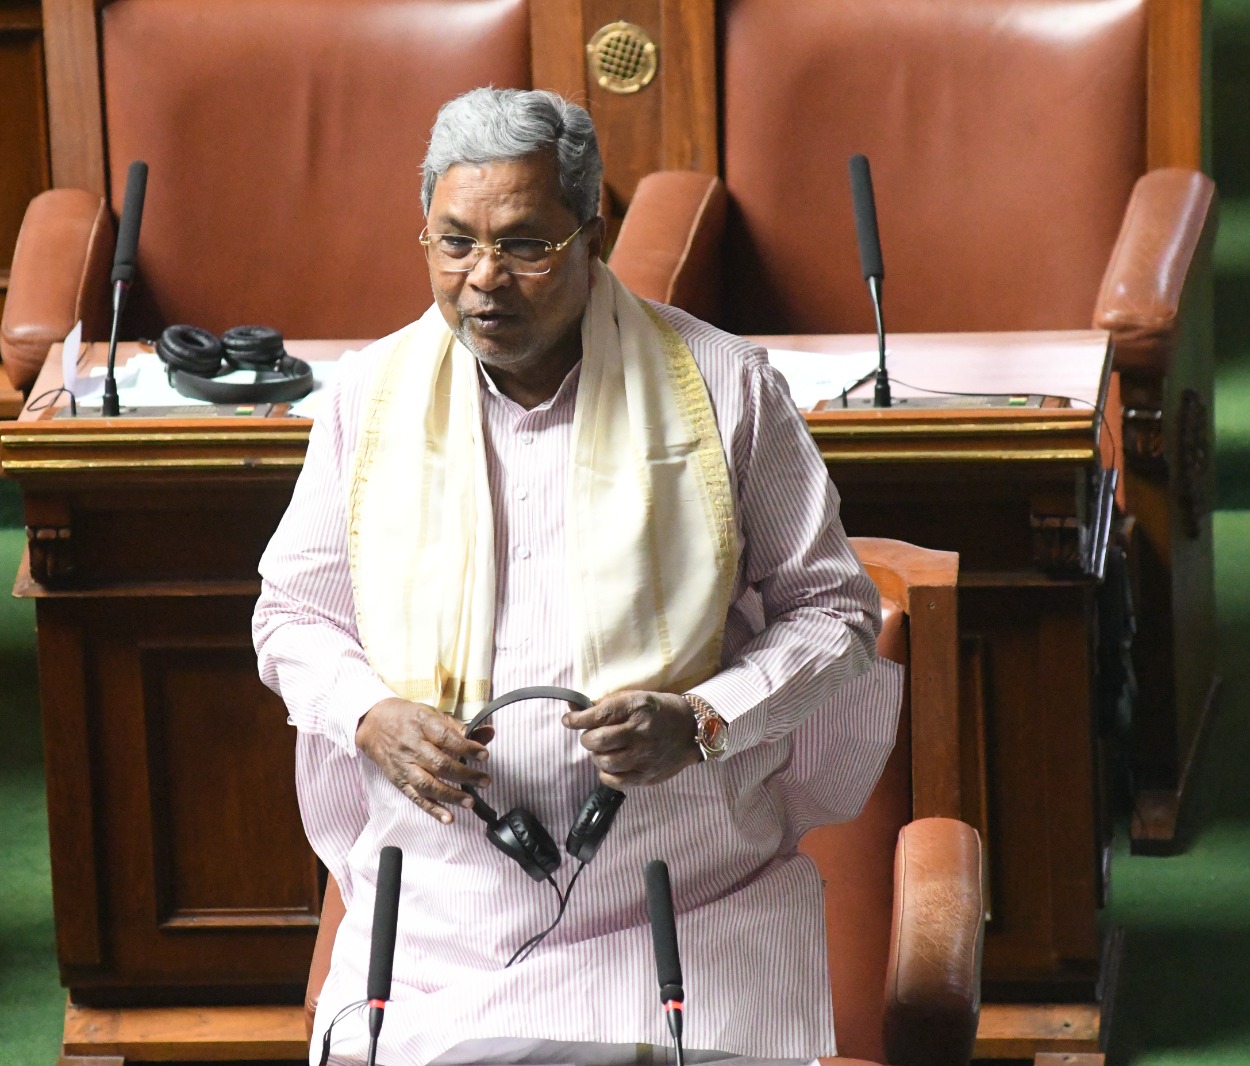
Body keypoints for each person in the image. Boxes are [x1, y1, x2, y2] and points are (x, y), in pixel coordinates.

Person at [253, 87, 901, 1066]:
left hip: (685, 905)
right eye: (454, 242)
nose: (483, 279)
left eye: (525, 244)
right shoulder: (368, 398)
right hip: (440, 924)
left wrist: (703, 718)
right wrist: (369, 715)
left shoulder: (724, 385)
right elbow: (292, 616)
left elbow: (835, 613)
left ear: (592, 236)